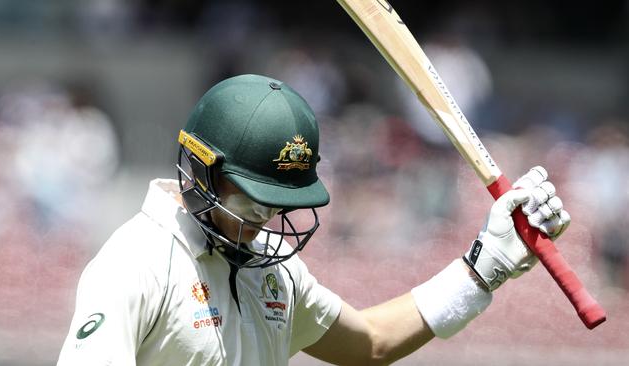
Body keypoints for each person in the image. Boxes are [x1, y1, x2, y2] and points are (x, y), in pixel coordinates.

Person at [57, 74, 570, 365]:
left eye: (277, 207)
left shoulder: (271, 270)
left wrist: (484, 267)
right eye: (251, 204)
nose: (263, 225)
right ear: (199, 173)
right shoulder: (135, 264)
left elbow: (369, 342)